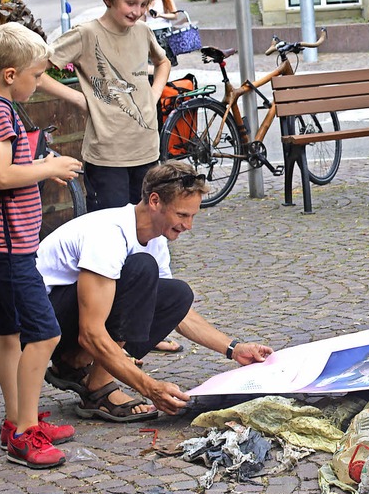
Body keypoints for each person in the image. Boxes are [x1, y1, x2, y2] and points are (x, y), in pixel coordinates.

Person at [37, 161, 274, 422]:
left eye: (193, 216)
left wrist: (234, 348)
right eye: (182, 215)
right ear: (154, 201)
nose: (189, 225)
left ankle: (75, 364)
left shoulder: (156, 238)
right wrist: (150, 388)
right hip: (42, 326)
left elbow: (176, 313)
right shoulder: (109, 235)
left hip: (72, 322)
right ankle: (97, 388)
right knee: (142, 269)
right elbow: (90, 333)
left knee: (177, 295)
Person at [0, 22, 82, 469]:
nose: (39, 85)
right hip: (10, 245)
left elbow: (8, 166)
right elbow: (1, 175)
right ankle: (23, 434)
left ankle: (17, 416)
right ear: (12, 73)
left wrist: (37, 165)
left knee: (8, 332)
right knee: (45, 333)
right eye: (37, 76)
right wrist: (45, 166)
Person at [38, 0, 171, 214]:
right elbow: (36, 70)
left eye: (143, 5)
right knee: (110, 231)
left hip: (147, 149)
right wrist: (79, 98)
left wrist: (154, 95)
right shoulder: (86, 34)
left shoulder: (142, 31)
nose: (137, 12)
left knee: (147, 226)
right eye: (131, 3)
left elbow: (163, 62)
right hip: (107, 156)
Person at [146, 0, 179, 68]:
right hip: (149, 32)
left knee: (165, 63)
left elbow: (175, 15)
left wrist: (160, 15)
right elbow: (143, 18)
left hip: (163, 32)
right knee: (150, 64)